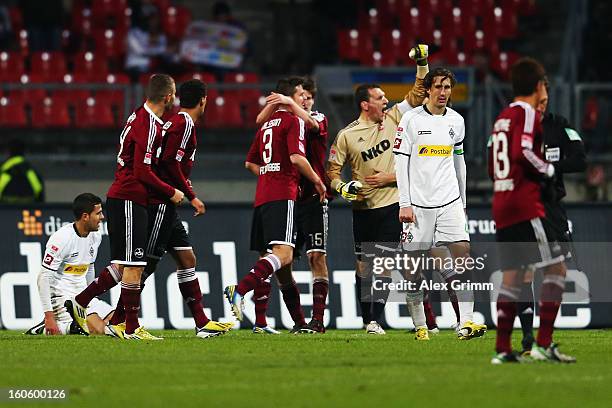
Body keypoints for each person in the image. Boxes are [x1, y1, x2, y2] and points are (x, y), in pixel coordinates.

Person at [74, 79, 232, 339]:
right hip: (157, 202)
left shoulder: (158, 120)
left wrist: (185, 194)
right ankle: (118, 319)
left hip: (160, 201)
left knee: (184, 259)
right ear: (202, 100)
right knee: (138, 264)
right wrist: (182, 193)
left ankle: (201, 323)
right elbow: (166, 165)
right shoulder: (178, 123)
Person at [67, 74, 184, 341]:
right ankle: (130, 327)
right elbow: (142, 171)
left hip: (127, 197)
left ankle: (81, 302)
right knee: (134, 266)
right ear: (167, 97)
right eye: (173, 94)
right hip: (129, 198)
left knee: (125, 264)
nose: (174, 99)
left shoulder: (138, 116)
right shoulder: (149, 124)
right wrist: (171, 191)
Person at [326, 44, 429, 335]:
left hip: (392, 205)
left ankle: (375, 320)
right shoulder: (347, 135)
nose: (386, 100)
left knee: (382, 262)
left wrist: (422, 64)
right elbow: (332, 171)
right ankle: (367, 319)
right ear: (365, 104)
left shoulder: (396, 117)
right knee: (364, 266)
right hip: (363, 210)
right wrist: (342, 187)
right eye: (380, 97)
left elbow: (419, 91)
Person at [488, 57, 576, 363]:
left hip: (502, 201)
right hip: (524, 204)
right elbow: (522, 151)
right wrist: (549, 171)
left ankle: (502, 349)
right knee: (557, 268)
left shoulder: (503, 116)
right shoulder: (526, 112)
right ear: (539, 86)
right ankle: (543, 344)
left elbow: (493, 162)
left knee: (514, 277)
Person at [224, 77, 326, 331]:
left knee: (281, 265)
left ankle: (300, 323)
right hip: (284, 193)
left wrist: (269, 173)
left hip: (263, 196)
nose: (304, 98)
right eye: (300, 94)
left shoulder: (266, 125)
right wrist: (317, 180)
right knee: (283, 254)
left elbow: (250, 162)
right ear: (289, 97)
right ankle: (240, 290)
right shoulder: (293, 121)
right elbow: (297, 157)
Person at [394, 67, 487, 341]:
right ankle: (421, 326)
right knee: (414, 270)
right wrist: (405, 203)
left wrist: (463, 201)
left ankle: (466, 323)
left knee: (463, 259)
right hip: (418, 206)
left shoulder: (457, 121)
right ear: (427, 89)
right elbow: (401, 163)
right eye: (438, 87)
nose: (443, 92)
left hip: (450, 202)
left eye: (447, 87)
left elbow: (459, 162)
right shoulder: (410, 120)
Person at [252, 77, 331, 334]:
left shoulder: (316, 117)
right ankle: (298, 322)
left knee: (316, 256)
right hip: (287, 198)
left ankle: (317, 320)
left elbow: (311, 124)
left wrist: (287, 103)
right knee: (282, 265)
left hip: (312, 200)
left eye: (310, 96)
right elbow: (254, 157)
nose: (306, 100)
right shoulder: (281, 122)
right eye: (302, 95)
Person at [515, 87, 587, 354]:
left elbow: (580, 159)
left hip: (553, 207)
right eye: (538, 100)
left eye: (545, 101)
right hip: (524, 205)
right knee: (526, 271)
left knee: (556, 271)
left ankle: (543, 339)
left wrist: (553, 168)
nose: (542, 106)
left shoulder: (558, 125)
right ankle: (527, 338)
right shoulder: (514, 125)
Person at [31, 193, 113, 336]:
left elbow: (89, 268)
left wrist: (90, 295)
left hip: (82, 296)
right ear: (85, 216)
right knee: (98, 330)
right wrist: (49, 315)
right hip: (63, 298)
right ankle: (46, 329)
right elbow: (44, 277)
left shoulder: (96, 235)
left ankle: (72, 325)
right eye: (98, 213)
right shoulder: (61, 238)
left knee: (117, 322)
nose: (102, 217)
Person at [0, 139, 44, 204]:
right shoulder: (32, 173)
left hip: (5, 212)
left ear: (8, 152)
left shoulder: (3, 173)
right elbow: (40, 198)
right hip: (29, 212)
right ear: (24, 152)